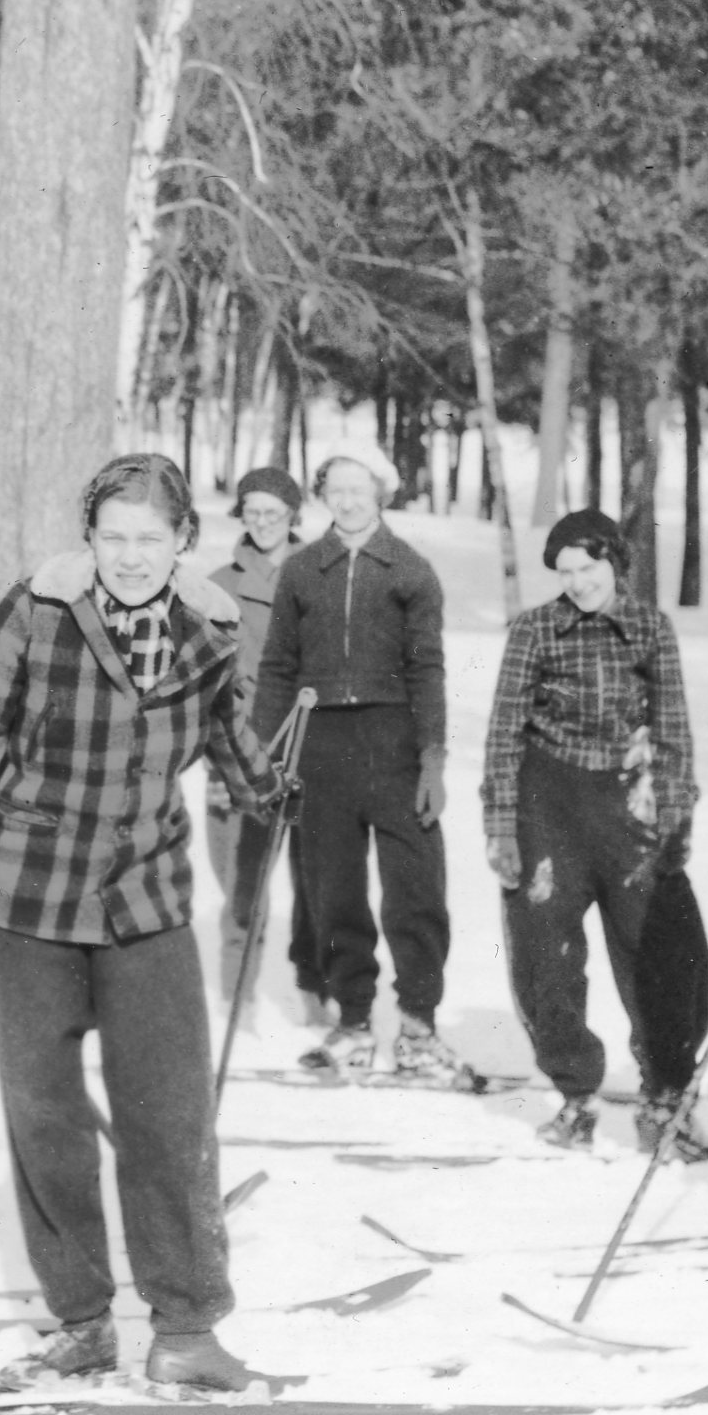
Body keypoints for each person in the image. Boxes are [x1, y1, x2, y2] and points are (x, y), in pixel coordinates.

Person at [0, 451, 282, 1397]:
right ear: (88, 538)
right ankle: (83, 1320)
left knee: (169, 1117)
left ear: (183, 541)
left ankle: (185, 1324)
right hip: (30, 894)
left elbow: (233, 739)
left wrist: (269, 783)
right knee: (46, 1116)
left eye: (151, 538)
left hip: (146, 898)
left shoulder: (211, 633)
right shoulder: (38, 612)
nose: (131, 556)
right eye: (113, 536)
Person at [481, 510, 708, 1157]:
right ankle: (575, 1091)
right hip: (548, 801)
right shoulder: (535, 629)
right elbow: (504, 731)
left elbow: (673, 730)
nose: (579, 582)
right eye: (566, 572)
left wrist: (672, 822)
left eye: (590, 567)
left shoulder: (649, 627)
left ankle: (665, 1094)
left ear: (616, 562)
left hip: (628, 801)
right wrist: (502, 824)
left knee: (664, 954)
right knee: (544, 954)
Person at [248, 441, 458, 1082]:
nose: (346, 499)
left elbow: (427, 668)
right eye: (335, 488)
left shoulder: (410, 569)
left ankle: (418, 1023)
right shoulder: (302, 569)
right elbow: (278, 666)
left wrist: (432, 759)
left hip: (393, 739)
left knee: (416, 890)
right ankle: (354, 1020)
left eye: (357, 487)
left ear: (381, 491)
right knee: (332, 889)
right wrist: (266, 752)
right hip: (322, 747)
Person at [206, 467, 305, 1013]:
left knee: (317, 883)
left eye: (276, 512)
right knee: (240, 884)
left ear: (294, 517)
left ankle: (317, 995)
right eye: (253, 512)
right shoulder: (219, 583)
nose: (264, 523)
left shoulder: (318, 573)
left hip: (308, 743)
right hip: (237, 750)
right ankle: (237, 997)